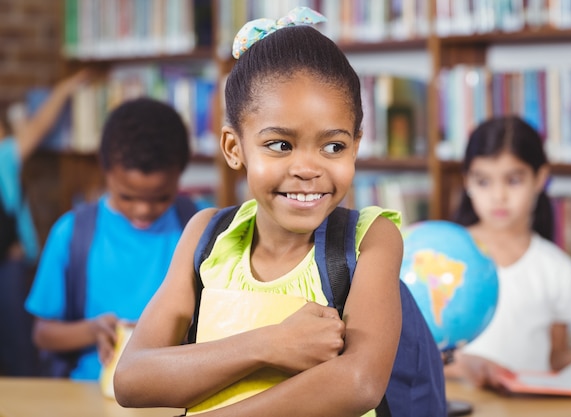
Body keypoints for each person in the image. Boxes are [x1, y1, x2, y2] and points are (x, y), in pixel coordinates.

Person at [114, 8, 405, 417]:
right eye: (281, 145)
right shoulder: (206, 235)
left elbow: (359, 382)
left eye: (333, 147)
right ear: (235, 149)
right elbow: (131, 378)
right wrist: (271, 344)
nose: (308, 168)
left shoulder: (370, 238)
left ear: (356, 146)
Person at [25, 96, 200, 380]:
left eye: (161, 198)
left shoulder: (201, 227)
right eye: (127, 196)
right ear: (104, 170)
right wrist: (92, 330)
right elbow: (43, 333)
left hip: (175, 391)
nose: (142, 209)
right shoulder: (72, 233)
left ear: (180, 176)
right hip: (87, 390)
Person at [446, 115, 571, 389]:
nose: (498, 195)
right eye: (483, 181)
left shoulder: (556, 269)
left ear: (540, 178)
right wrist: (469, 365)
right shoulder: (443, 254)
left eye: (513, 180)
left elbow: (553, 361)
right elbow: (416, 350)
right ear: (467, 181)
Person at [0, 70, 91, 376]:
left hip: (10, 263)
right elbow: (37, 128)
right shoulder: (4, 157)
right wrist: (63, 89)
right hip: (7, 264)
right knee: (19, 353)